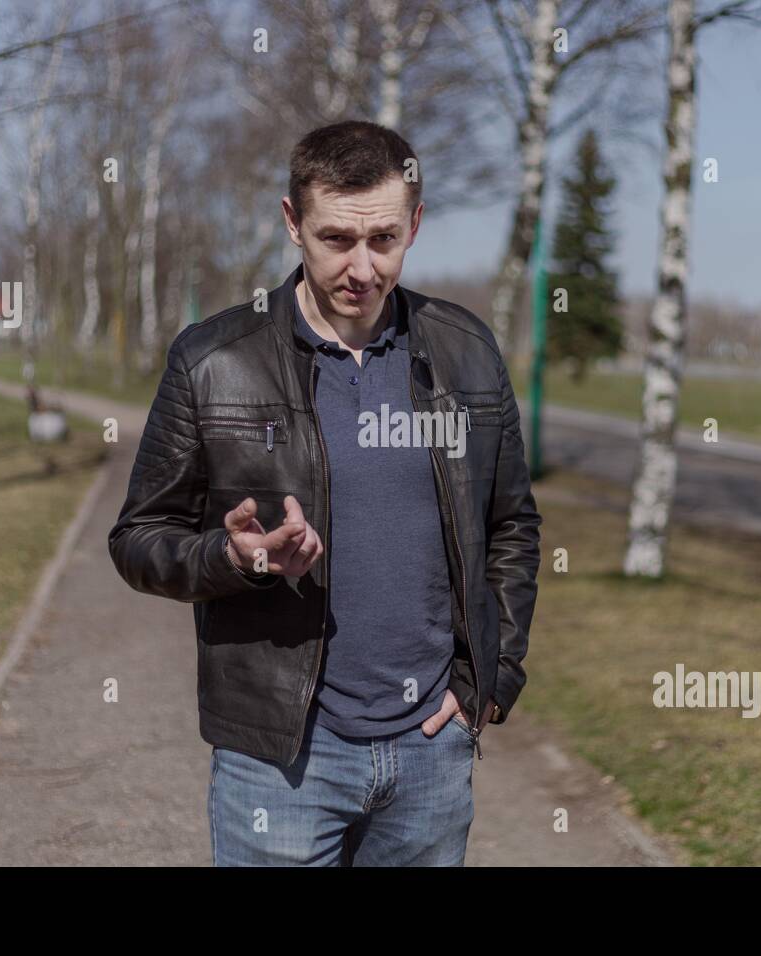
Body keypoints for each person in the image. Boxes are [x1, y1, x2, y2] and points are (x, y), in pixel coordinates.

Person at [108, 120, 542, 866]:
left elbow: (511, 528)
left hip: (431, 753)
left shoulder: (467, 350)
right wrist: (235, 557)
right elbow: (139, 539)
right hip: (278, 758)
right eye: (336, 239)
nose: (363, 268)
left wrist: (491, 681)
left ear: (415, 224)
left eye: (384, 240)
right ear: (291, 222)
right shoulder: (213, 359)